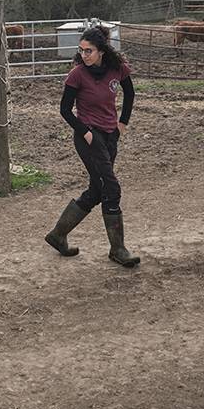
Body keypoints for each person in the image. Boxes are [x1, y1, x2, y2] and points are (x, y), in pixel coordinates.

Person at [44, 26, 140, 267]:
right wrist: (85, 131)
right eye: (82, 50)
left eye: (89, 51)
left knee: (97, 190)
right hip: (88, 137)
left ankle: (57, 235)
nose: (84, 55)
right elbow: (64, 110)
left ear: (102, 52)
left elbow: (130, 93)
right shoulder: (77, 74)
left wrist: (122, 124)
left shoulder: (117, 69)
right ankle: (118, 249)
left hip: (110, 135)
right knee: (111, 187)